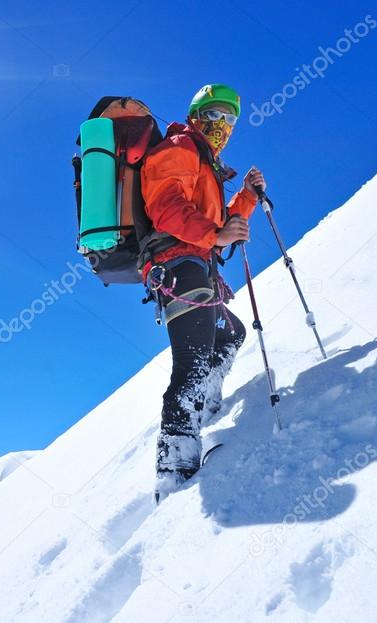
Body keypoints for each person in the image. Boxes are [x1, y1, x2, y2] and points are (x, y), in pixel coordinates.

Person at [139, 84, 266, 501]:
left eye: (230, 120)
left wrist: (245, 198)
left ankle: (207, 405)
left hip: (197, 267)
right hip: (177, 267)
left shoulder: (206, 165)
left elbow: (215, 224)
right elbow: (165, 207)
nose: (223, 126)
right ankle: (174, 470)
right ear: (197, 116)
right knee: (190, 365)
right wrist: (215, 232)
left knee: (231, 334)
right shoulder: (178, 148)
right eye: (215, 115)